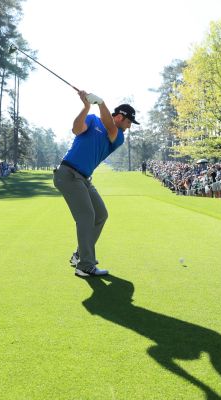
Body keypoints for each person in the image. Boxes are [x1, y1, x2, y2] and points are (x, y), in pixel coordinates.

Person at [53, 90, 137, 277]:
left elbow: (111, 128)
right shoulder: (92, 119)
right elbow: (76, 129)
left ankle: (80, 254)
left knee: (100, 214)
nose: (130, 126)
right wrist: (86, 107)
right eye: (129, 121)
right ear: (121, 117)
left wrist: (101, 102)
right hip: (67, 174)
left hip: (83, 179)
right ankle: (85, 265)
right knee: (86, 216)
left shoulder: (118, 135)